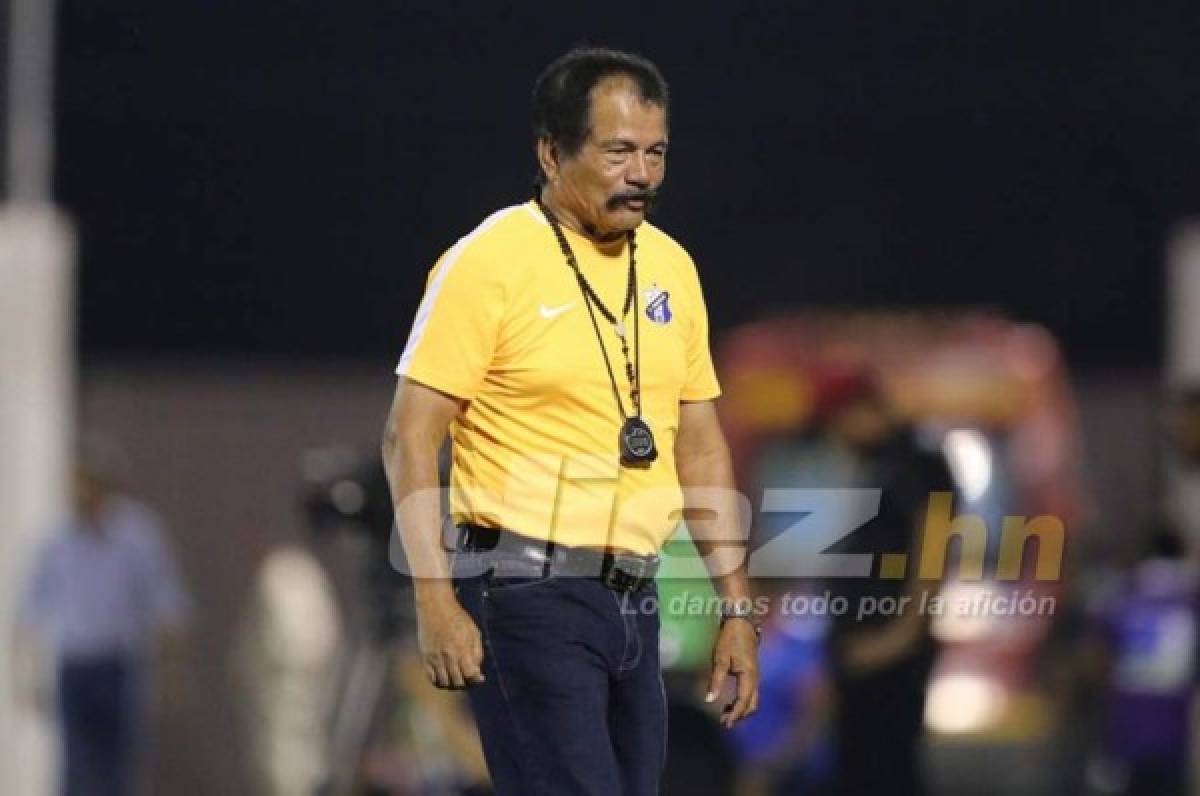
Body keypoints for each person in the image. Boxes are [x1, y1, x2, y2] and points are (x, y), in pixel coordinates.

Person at [381, 47, 759, 795]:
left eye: (655, 152)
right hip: (526, 594)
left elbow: (703, 446)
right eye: (618, 151)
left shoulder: (673, 268)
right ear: (552, 152)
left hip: (635, 600)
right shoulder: (487, 261)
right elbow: (409, 434)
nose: (642, 174)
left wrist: (737, 610)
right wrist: (434, 597)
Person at [16, 445, 191, 796]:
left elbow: (167, 604)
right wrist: (26, 677)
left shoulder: (137, 535)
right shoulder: (56, 541)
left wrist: (171, 671)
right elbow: (31, 613)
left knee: (119, 767)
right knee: (77, 768)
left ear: (105, 489)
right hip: (75, 667)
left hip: (120, 666)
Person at [817, 370, 953, 796]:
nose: (837, 435)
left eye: (839, 420)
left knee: (888, 770)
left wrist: (897, 638)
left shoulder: (919, 463)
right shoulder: (875, 466)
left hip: (888, 656)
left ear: (864, 410)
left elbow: (931, 557)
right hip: (862, 653)